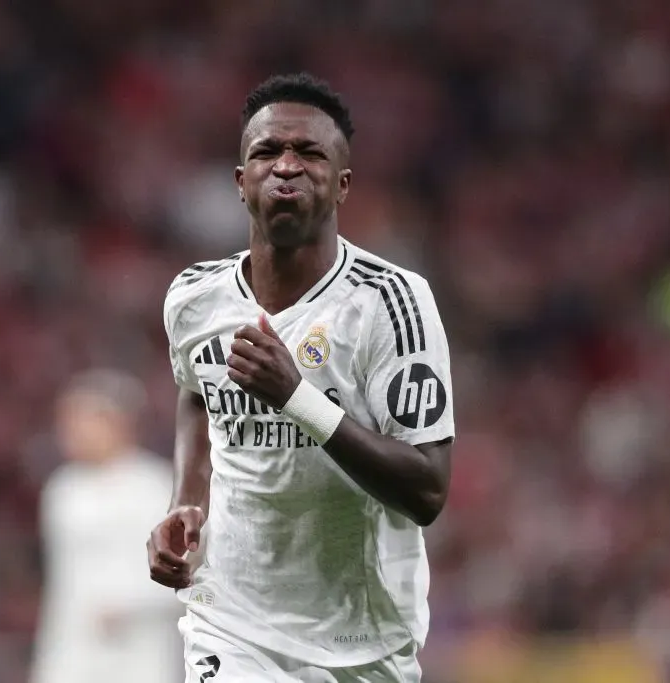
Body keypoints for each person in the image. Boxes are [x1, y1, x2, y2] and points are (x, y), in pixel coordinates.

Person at [150, 73, 455, 682]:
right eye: (267, 151)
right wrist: (186, 499)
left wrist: (296, 398)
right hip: (230, 623)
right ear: (241, 182)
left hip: (358, 638)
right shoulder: (195, 298)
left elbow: (427, 489)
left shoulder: (390, 303)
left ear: (342, 185)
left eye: (309, 152)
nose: (286, 166)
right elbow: (196, 392)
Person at [33, 369, 183, 683]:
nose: (69, 433)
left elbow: (186, 573)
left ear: (116, 422)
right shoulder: (63, 490)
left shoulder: (156, 486)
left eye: (80, 421)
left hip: (142, 652)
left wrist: (129, 603)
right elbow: (62, 585)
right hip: (72, 651)